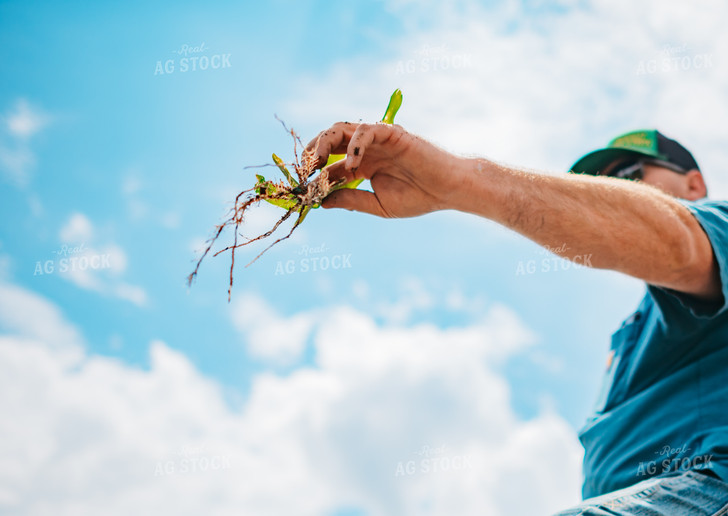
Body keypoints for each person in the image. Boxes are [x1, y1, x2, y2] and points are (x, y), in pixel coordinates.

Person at [305, 124, 728, 515]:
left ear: (694, 184)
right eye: (600, 184)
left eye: (632, 172)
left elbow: (679, 242)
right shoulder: (637, 327)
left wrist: (457, 181)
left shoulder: (719, 224)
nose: (615, 190)